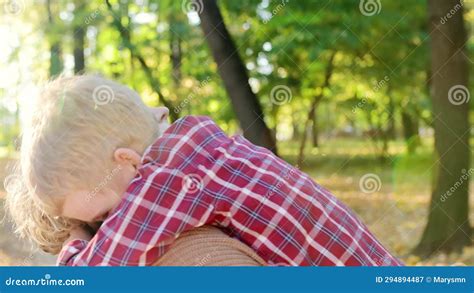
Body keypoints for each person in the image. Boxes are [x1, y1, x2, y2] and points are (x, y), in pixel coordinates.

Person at [5, 75, 403, 266]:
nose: (110, 224)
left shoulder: (169, 175)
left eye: (102, 215)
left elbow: (102, 274)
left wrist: (74, 247)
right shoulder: (198, 147)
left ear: (126, 161)